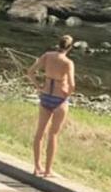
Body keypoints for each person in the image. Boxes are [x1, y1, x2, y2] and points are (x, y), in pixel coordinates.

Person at [27, 34, 75, 177]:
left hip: (46, 95)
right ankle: (48, 170)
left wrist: (38, 86)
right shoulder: (68, 62)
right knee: (53, 134)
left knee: (40, 132)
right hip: (59, 98)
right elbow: (72, 84)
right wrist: (67, 94)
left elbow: (30, 72)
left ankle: (37, 167)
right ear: (70, 48)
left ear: (58, 44)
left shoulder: (47, 56)